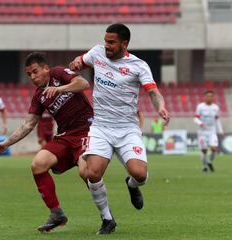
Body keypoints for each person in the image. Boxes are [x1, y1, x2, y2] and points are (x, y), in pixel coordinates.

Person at [69, 23, 170, 234]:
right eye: (106, 41)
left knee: (139, 174)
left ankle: (132, 185)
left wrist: (160, 107)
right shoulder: (97, 52)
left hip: (127, 129)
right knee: (92, 173)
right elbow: (82, 60)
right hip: (101, 127)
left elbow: (153, 92)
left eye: (112, 42)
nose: (107, 45)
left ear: (124, 44)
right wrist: (77, 62)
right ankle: (107, 219)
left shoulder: (138, 66)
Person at [0, 52, 93, 233]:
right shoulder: (39, 96)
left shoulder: (58, 73)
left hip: (87, 130)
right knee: (38, 165)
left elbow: (83, 83)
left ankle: (107, 216)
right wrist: (5, 144)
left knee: (88, 173)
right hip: (64, 136)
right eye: (29, 74)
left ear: (46, 68)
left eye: (35, 71)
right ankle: (56, 214)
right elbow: (28, 124)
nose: (32, 77)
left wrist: (59, 89)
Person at [194, 89, 224, 172]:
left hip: (212, 132)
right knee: (204, 150)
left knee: (214, 149)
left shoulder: (216, 108)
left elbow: (217, 120)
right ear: (204, 97)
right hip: (202, 132)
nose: (209, 98)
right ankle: (204, 166)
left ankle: (209, 162)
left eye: (211, 96)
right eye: (208, 96)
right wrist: (200, 123)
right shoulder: (200, 107)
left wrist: (221, 131)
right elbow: (196, 118)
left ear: (213, 97)